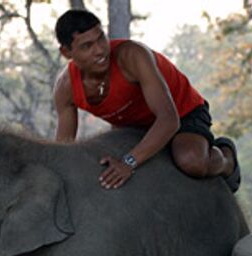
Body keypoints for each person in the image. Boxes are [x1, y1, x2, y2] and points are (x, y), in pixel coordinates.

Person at [53, 9, 240, 192]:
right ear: (66, 52)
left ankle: (226, 158)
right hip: (133, 127)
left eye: (101, 38)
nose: (100, 50)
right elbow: (63, 148)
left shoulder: (132, 55)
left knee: (191, 162)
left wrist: (129, 162)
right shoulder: (65, 88)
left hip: (181, 112)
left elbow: (168, 120)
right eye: (87, 46)